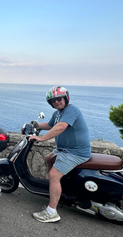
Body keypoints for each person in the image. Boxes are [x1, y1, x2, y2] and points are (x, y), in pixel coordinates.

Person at [27, 86, 91, 223]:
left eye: (58, 99)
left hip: (76, 152)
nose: (56, 102)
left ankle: (52, 212)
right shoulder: (58, 113)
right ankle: (57, 190)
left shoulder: (71, 110)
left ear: (66, 98)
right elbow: (50, 125)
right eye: (53, 101)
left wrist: (42, 138)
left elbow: (61, 127)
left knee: (53, 175)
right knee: (48, 158)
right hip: (64, 149)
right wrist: (34, 125)